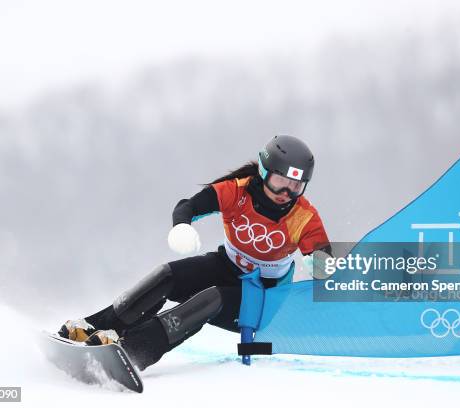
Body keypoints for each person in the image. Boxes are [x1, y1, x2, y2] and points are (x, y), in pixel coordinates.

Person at [57, 135, 331, 370]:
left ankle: (131, 351)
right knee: (169, 275)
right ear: (263, 172)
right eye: (279, 181)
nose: (286, 192)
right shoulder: (238, 192)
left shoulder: (303, 216)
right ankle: (94, 328)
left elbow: (327, 260)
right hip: (227, 267)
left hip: (266, 297)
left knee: (210, 299)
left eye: (296, 186)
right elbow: (188, 206)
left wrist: (319, 265)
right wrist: (181, 226)